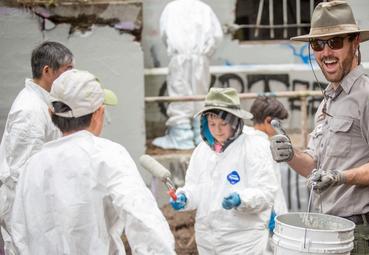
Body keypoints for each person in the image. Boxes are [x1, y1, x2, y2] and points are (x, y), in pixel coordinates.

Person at [270, 1, 369, 254]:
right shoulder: (329, 100)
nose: (325, 52)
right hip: (328, 232)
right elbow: (314, 166)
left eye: (335, 42)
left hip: (360, 235)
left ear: (355, 42)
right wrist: (291, 155)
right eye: (317, 44)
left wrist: (341, 176)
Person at [10, 69, 176, 254]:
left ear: (51, 113)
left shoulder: (32, 166)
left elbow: (19, 232)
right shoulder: (108, 155)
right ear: (99, 113)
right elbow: (144, 221)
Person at [169, 88, 278, 254]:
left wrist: (241, 200)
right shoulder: (202, 151)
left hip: (242, 241)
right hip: (207, 240)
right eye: (212, 124)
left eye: (223, 124)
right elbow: (196, 188)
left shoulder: (253, 147)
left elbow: (266, 192)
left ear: (235, 121)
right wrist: (185, 197)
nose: (217, 130)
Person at [0, 41, 74, 254]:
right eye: (67, 71)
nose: (71, 77)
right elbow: (23, 172)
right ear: (47, 71)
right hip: (26, 208)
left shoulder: (44, 103)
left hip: (38, 204)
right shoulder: (30, 111)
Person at [153, 0, 224, 150]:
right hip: (201, 59)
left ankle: (181, 137)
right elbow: (217, 36)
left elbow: (165, 34)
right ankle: (201, 135)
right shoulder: (205, 8)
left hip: (179, 58)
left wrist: (176, 50)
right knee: (200, 95)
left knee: (180, 95)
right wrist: (205, 53)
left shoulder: (171, 8)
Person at [244, 96, 289, 252]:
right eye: (279, 123)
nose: (281, 128)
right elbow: (266, 185)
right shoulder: (263, 146)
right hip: (267, 216)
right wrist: (272, 215)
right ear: (268, 120)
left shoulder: (244, 140)